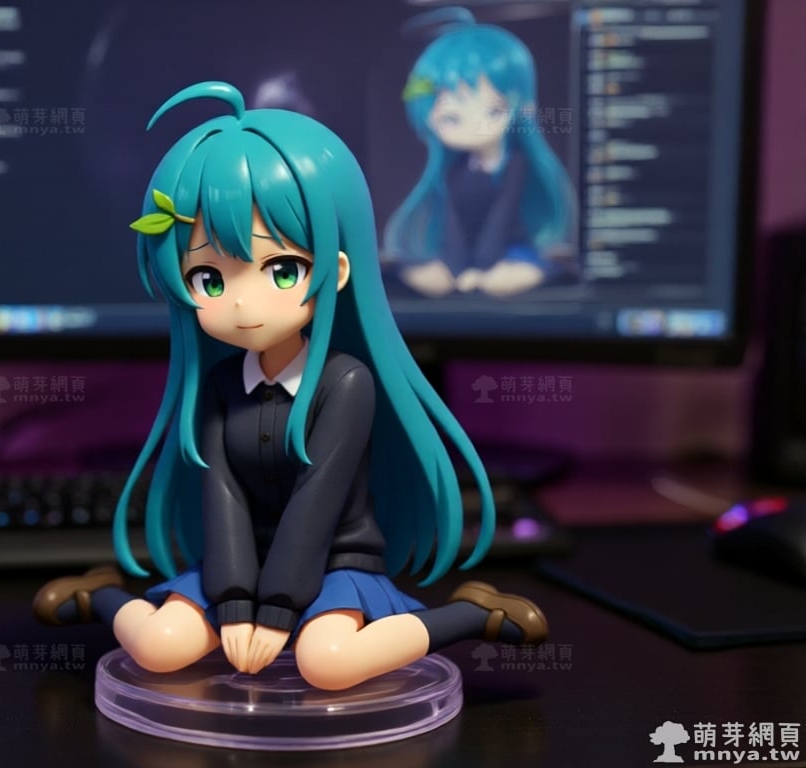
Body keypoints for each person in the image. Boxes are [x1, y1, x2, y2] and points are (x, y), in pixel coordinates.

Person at [34, 81, 547, 691]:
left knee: (327, 663)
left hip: (333, 560)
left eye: (281, 270)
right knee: (161, 648)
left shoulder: (345, 382)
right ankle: (101, 594)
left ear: (335, 270)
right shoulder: (221, 383)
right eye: (209, 279)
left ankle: (471, 612)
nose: (242, 303)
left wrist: (278, 607)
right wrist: (232, 599)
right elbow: (221, 490)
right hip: (236, 562)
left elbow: (317, 497)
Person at [385, 7, 576, 298]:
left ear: (522, 109)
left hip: (508, 251)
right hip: (462, 258)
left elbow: (503, 216)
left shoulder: (515, 165)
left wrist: (485, 267)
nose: (474, 126)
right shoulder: (453, 170)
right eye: (451, 117)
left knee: (513, 276)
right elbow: (451, 223)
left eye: (493, 111)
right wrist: (455, 268)